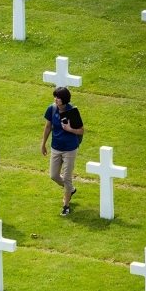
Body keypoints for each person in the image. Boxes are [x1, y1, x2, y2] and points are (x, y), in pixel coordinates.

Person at [41, 87, 84, 216]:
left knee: (67, 177)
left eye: (58, 97)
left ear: (64, 99)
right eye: (55, 96)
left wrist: (70, 129)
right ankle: (70, 189)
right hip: (56, 147)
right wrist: (43, 143)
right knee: (53, 175)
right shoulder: (52, 109)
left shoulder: (72, 111)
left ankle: (66, 205)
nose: (55, 99)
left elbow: (81, 130)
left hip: (70, 148)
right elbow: (48, 126)